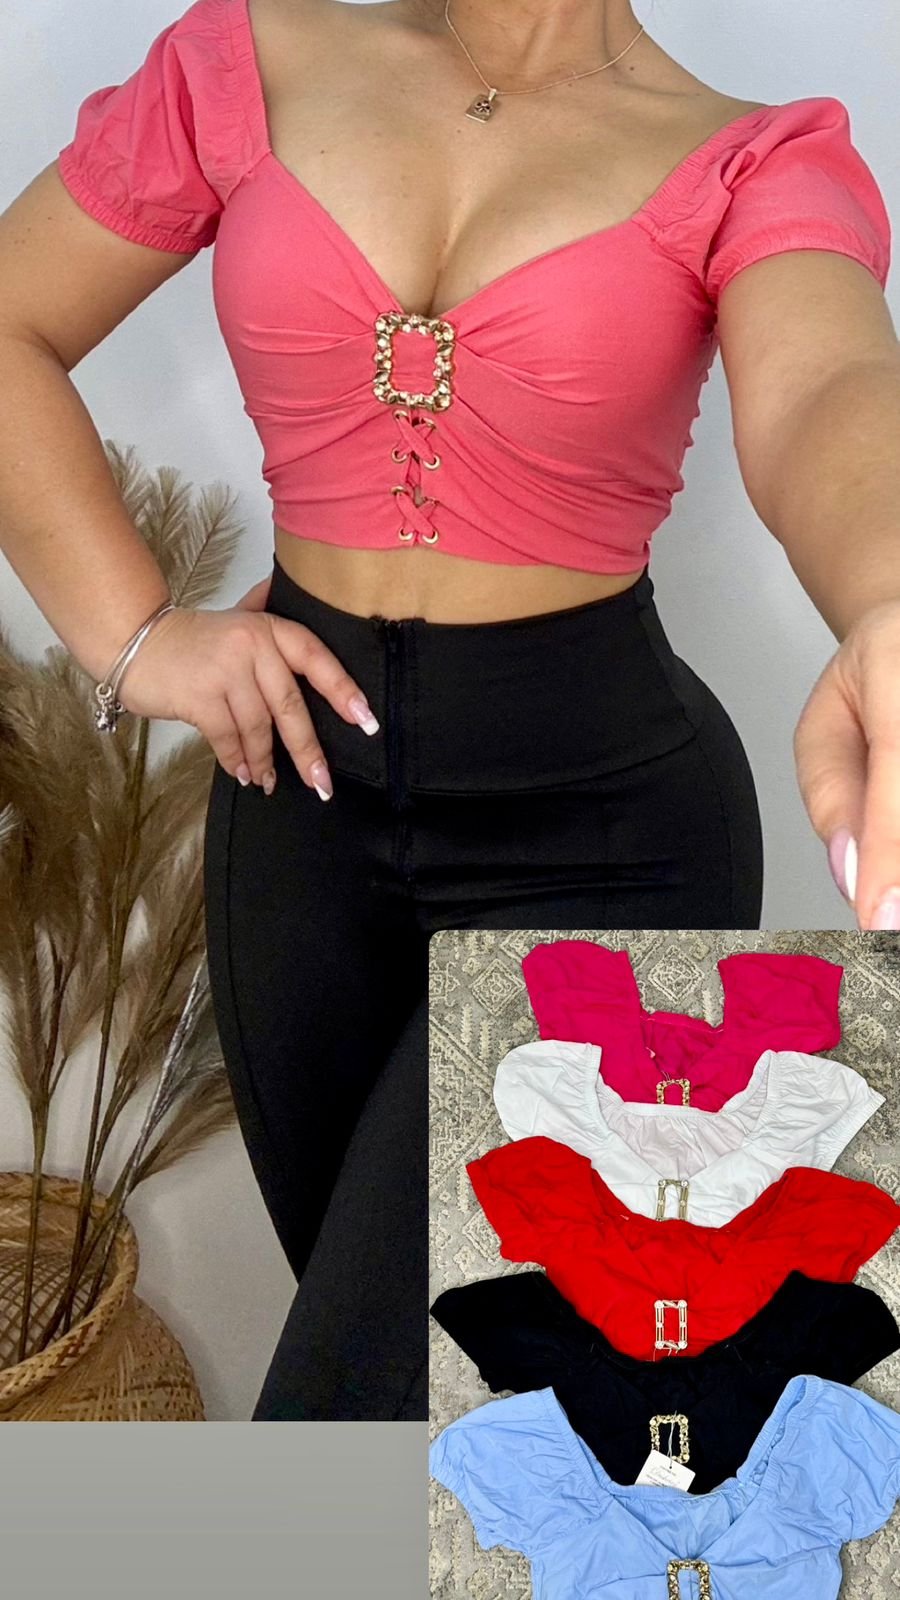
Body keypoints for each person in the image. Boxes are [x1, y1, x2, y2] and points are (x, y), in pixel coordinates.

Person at [0, 0, 897, 1419]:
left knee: (350, 1409)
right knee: (431, 1429)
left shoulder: (750, 160)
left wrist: (889, 596)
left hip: (607, 847)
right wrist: (137, 637)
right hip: (296, 825)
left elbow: (828, 391)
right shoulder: (247, 60)